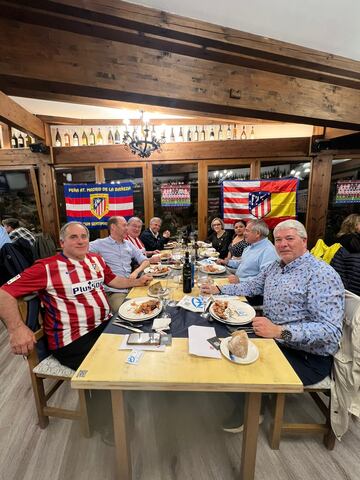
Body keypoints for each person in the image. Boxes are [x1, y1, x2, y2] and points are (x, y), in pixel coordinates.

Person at [203, 219, 344, 389]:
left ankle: (255, 409)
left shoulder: (321, 274)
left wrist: (279, 331)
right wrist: (218, 289)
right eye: (278, 240)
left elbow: (331, 331)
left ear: (304, 241)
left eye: (289, 238)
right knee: (217, 339)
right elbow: (252, 286)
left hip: (304, 357)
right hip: (271, 338)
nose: (283, 244)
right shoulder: (276, 266)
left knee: (235, 369)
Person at [0, 221, 152, 370]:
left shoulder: (96, 259)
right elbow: (4, 292)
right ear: (62, 242)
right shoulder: (46, 267)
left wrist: (138, 282)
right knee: (121, 364)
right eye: (73, 237)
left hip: (105, 324)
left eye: (84, 236)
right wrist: (16, 329)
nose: (80, 241)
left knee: (146, 338)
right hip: (73, 339)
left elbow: (112, 280)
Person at [89, 216, 151, 312]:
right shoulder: (100, 244)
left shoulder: (128, 244)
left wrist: (136, 271)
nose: (127, 228)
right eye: (124, 225)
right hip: (114, 291)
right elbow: (78, 250)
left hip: (132, 285)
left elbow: (145, 261)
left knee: (153, 301)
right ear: (113, 227)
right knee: (129, 312)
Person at [225, 219, 278, 284]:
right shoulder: (250, 246)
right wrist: (228, 262)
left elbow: (266, 278)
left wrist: (240, 280)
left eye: (247, 231)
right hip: (237, 283)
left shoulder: (269, 251)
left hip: (249, 291)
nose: (244, 233)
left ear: (257, 233)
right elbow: (243, 263)